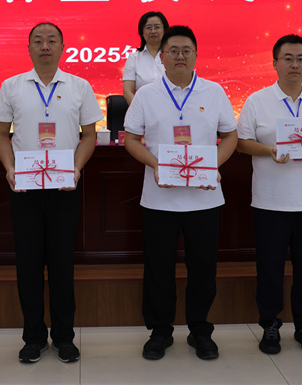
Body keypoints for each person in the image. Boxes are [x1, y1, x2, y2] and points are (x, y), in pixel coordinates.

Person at [123, 25, 238, 361]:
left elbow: (230, 136)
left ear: (196, 55)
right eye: (173, 51)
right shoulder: (146, 95)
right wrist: (156, 164)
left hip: (204, 198)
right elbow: (131, 139)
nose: (180, 56)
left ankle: (200, 329)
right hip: (159, 199)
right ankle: (160, 331)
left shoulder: (214, 91)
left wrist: (213, 165)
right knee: (158, 268)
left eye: (187, 50)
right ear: (161, 57)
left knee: (203, 268)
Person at [0, 22, 104, 364]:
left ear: (62, 47)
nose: (45, 46)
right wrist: (9, 168)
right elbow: (0, 135)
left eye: (51, 40)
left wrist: (77, 168)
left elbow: (89, 136)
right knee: (28, 264)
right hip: (24, 186)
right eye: (38, 41)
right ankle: (33, 337)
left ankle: (64, 337)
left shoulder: (79, 86)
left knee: (61, 264)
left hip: (64, 186)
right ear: (28, 48)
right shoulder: (12, 86)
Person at [237, 34, 302, 356]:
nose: (295, 65)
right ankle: (270, 325)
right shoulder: (257, 100)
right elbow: (241, 143)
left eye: (301, 59)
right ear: (275, 63)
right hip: (270, 200)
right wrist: (270, 150)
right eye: (288, 58)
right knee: (270, 268)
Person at [122, 11, 169, 104]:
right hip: (142, 109)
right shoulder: (133, 58)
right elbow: (128, 92)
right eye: (148, 28)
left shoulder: (174, 56)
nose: (153, 31)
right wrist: (141, 109)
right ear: (142, 33)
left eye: (157, 27)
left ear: (165, 30)